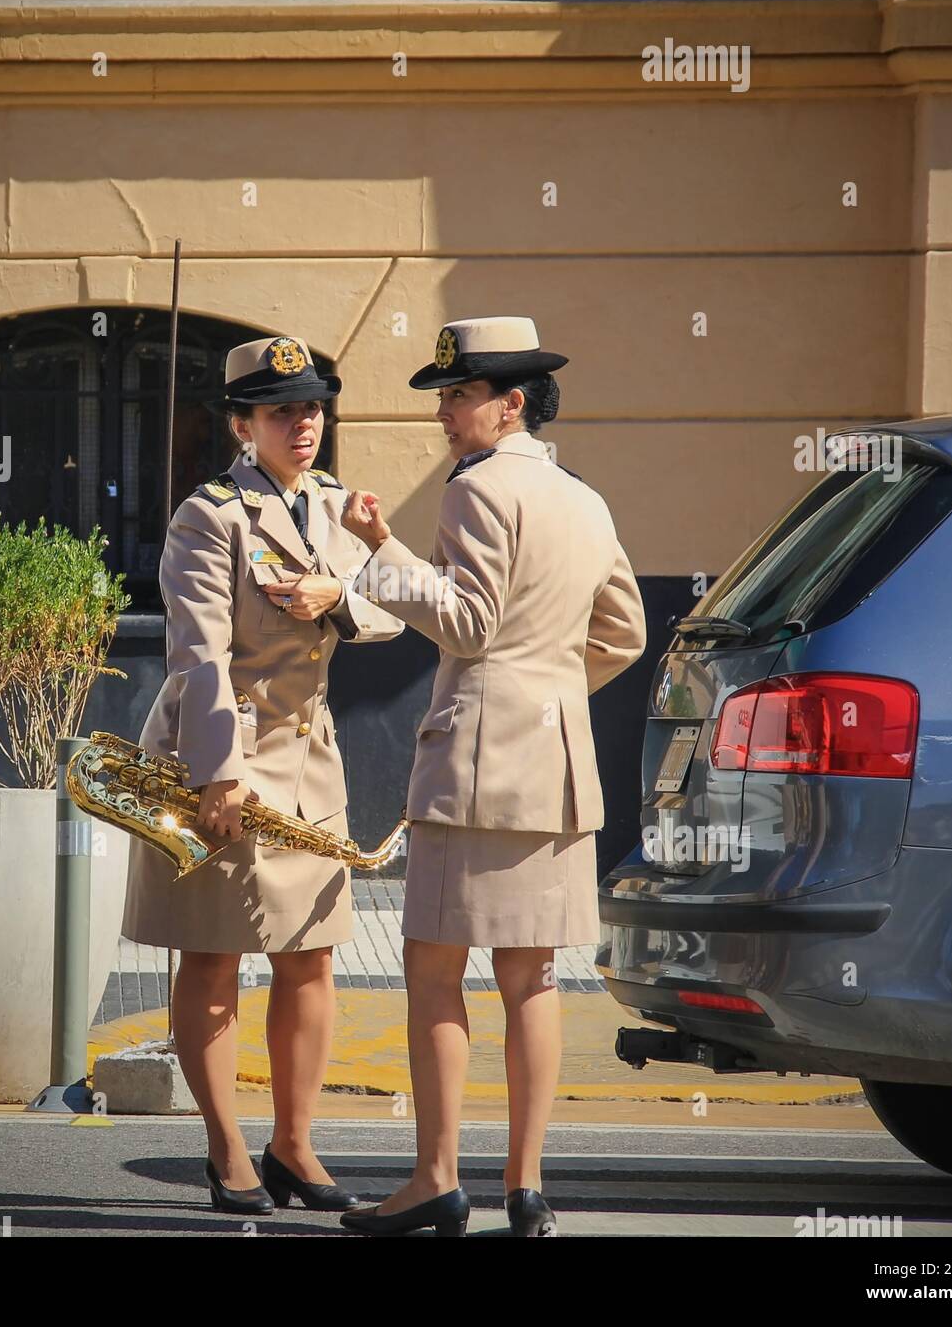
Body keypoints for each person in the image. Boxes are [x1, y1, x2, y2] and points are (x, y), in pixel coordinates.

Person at [338, 316, 646, 1237]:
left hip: (475, 762)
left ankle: (436, 1179)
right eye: (444, 393)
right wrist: (547, 684)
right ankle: (526, 1187)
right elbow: (624, 633)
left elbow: (466, 625)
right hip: (554, 766)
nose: (444, 411)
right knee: (534, 981)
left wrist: (380, 552)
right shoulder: (585, 500)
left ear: (512, 403)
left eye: (458, 393)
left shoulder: (475, 490)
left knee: (433, 974)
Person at [122, 335, 403, 1216]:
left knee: (311, 957)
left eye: (314, 406)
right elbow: (196, 655)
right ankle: (226, 1148)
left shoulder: (334, 505)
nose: (304, 423)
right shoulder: (210, 515)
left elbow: (392, 608)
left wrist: (341, 599)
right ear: (243, 424)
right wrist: (217, 773)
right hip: (223, 755)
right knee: (212, 957)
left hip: (310, 756)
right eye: (283, 410)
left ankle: (294, 1141)